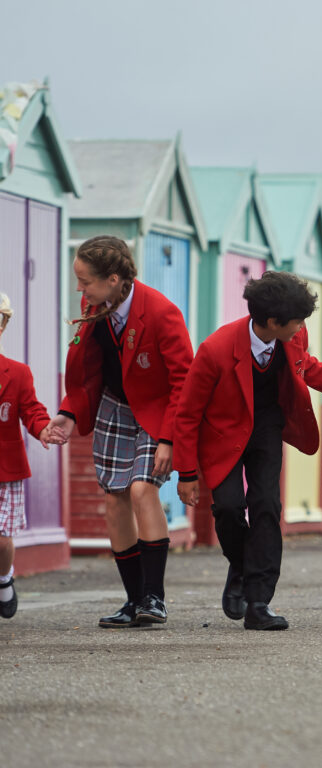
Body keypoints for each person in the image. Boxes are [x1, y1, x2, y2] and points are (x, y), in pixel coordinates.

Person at [175, 271, 322, 630]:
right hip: (222, 434)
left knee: (267, 504)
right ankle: (243, 564)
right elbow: (187, 413)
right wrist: (185, 473)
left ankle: (259, 602)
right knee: (230, 508)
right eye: (296, 322)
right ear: (271, 321)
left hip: (267, 427)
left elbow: (306, 366)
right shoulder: (216, 349)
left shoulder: (293, 335)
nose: (301, 328)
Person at [47, 236, 193, 628]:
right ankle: (133, 601)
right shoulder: (94, 306)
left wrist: (168, 438)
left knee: (143, 489)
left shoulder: (163, 313)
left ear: (113, 279)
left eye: (85, 281)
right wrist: (68, 413)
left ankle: (155, 598)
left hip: (158, 409)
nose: (80, 289)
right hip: (114, 404)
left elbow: (184, 381)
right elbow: (89, 370)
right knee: (115, 497)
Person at [0, 294, 63, 618]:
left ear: (3, 325)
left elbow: (32, 411)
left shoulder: (18, 373)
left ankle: (3, 579)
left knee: (2, 539)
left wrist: (42, 429)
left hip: (5, 470)